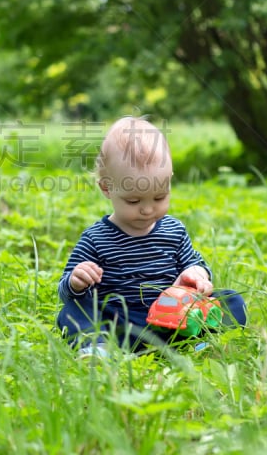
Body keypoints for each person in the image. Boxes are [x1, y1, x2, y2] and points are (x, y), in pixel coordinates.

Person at [56, 117, 247, 356]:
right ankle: (99, 348)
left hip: (174, 319)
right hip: (121, 324)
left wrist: (197, 274)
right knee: (74, 311)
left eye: (159, 197)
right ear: (106, 188)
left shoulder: (174, 231)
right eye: (133, 200)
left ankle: (201, 343)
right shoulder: (96, 238)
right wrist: (76, 281)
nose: (148, 209)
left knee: (231, 300)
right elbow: (65, 292)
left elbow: (195, 265)